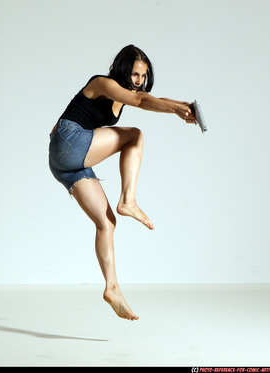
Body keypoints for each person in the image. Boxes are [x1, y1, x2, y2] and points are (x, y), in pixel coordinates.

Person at [48, 45, 196, 321]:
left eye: (143, 75)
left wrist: (183, 105)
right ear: (121, 67)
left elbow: (148, 98)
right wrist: (176, 109)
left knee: (106, 223)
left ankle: (112, 289)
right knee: (134, 135)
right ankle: (128, 200)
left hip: (67, 164)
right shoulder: (103, 83)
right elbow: (141, 102)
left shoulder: (129, 94)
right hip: (71, 143)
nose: (138, 80)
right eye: (134, 73)